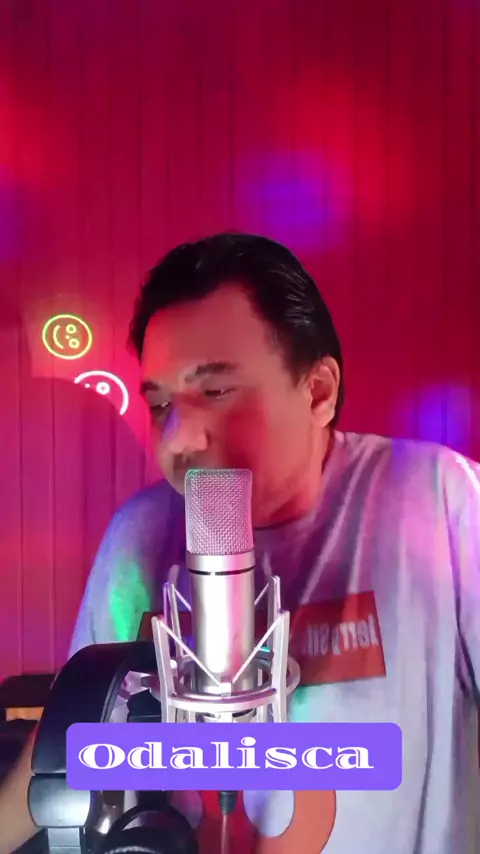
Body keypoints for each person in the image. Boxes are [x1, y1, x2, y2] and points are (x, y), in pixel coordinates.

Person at [1, 231, 480, 854]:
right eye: (159, 404)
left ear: (318, 391)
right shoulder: (139, 535)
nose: (178, 439)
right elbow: (75, 742)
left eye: (216, 391)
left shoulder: (438, 500)